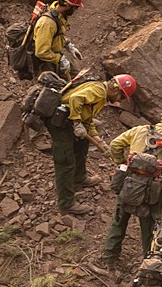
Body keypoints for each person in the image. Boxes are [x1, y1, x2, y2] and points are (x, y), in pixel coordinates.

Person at [102, 108, 162, 268]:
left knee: (119, 221)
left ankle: (108, 257)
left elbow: (115, 144)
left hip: (128, 184)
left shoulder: (140, 130)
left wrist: (121, 162)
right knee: (150, 229)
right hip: (151, 193)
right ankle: (149, 264)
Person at [47, 74, 137, 215]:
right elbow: (75, 99)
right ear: (115, 89)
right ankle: (66, 204)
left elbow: (87, 119)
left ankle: (79, 177)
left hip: (69, 120)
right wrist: (76, 122)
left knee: (82, 146)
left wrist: (98, 139)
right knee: (65, 161)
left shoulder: (101, 95)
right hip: (60, 121)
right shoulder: (99, 91)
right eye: (122, 96)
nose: (119, 101)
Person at [33, 0, 84, 78]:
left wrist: (68, 45)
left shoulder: (59, 16)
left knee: (78, 79)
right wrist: (59, 59)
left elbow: (56, 35)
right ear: (67, 5)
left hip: (55, 54)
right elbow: (41, 52)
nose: (76, 10)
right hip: (46, 63)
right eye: (75, 7)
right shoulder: (48, 23)